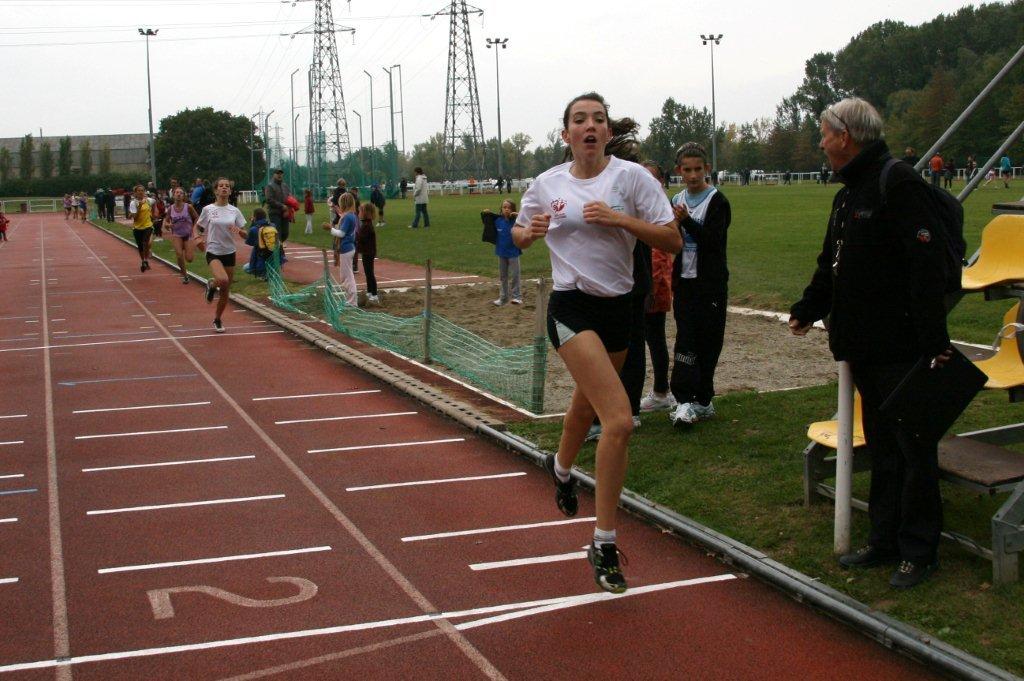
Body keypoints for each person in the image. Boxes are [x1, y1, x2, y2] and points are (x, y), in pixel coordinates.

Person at [513, 92, 680, 593]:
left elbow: (672, 240)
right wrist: (530, 232)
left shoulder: (632, 179)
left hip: (619, 310)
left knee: (586, 408)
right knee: (620, 420)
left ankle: (561, 468)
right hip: (570, 307)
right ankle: (604, 541)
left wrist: (621, 220)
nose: (590, 126)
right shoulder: (547, 184)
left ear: (608, 132)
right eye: (579, 120)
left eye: (598, 119)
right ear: (565, 134)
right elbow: (518, 233)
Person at [789, 97, 951, 589]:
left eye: (823, 133)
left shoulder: (896, 181)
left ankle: (919, 550)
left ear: (845, 136)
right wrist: (807, 308)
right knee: (882, 444)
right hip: (863, 344)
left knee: (913, 446)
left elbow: (927, 264)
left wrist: (933, 339)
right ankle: (884, 540)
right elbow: (831, 263)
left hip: (902, 345)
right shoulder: (847, 194)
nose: (820, 143)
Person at [667, 142, 731, 427]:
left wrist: (688, 222)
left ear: (707, 169)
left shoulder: (718, 201)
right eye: (687, 170)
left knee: (709, 342)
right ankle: (682, 401)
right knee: (686, 340)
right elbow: (670, 237)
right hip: (684, 284)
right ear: (679, 171)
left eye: (698, 170)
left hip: (711, 285)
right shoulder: (676, 200)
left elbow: (713, 243)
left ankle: (704, 399)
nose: (692, 176)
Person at [639, 162, 676, 414]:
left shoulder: (660, 209)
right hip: (641, 281)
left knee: (654, 338)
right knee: (642, 339)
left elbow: (660, 254)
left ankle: (662, 391)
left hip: (653, 282)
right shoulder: (641, 205)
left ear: (660, 181)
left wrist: (651, 288)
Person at [195, 177, 248, 333]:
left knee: (225, 290)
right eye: (221, 186)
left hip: (229, 252)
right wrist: (197, 238)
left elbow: (243, 233)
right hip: (213, 251)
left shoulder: (234, 211)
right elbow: (198, 227)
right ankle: (211, 285)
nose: (224, 188)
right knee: (222, 280)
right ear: (216, 190)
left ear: (230, 191)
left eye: (227, 186)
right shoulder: (208, 209)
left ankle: (217, 319)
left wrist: (239, 231)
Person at [482, 199, 522, 306]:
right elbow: (486, 223)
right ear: (501, 209)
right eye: (504, 207)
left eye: (509, 208)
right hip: (501, 252)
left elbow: (525, 222)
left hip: (513, 252)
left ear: (513, 210)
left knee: (515, 276)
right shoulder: (498, 221)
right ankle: (503, 298)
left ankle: (517, 297)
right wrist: (485, 214)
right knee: (503, 277)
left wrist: (517, 215)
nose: (506, 209)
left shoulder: (516, 221)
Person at [324, 191, 358, 306]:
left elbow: (342, 233)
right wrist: (336, 209)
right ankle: (351, 300)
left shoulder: (348, 217)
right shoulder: (351, 215)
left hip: (346, 248)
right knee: (346, 275)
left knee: (347, 276)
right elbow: (342, 216)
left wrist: (330, 229)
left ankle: (352, 301)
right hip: (349, 248)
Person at [163, 186, 199, 283]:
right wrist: (168, 225)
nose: (179, 194)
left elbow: (196, 218)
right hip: (176, 235)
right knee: (179, 255)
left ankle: (187, 247)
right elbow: (166, 222)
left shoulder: (189, 207)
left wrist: (194, 227)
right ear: (173, 195)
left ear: (183, 196)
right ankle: (185, 275)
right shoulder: (170, 208)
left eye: (181, 193)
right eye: (177, 193)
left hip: (188, 234)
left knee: (189, 259)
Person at [128, 184, 155, 273]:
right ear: (135, 193)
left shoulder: (149, 200)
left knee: (145, 242)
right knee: (140, 246)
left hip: (148, 226)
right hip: (137, 228)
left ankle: (146, 260)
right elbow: (135, 217)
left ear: (144, 192)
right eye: (138, 191)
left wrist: (153, 214)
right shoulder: (133, 203)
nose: (140, 192)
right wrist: (139, 206)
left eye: (142, 190)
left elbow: (155, 202)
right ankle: (143, 261)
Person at [356, 202, 379, 305]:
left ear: (365, 213)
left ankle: (374, 294)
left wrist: (355, 237)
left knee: (370, 273)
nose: (359, 213)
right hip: (367, 251)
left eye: (360, 211)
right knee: (368, 273)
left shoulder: (366, 225)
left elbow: (361, 238)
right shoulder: (365, 224)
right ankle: (370, 292)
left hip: (368, 252)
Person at [264, 168, 293, 245]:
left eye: (281, 173)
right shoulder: (270, 186)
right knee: (277, 232)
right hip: (274, 213)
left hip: (285, 213)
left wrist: (289, 208)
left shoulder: (285, 186)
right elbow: (269, 200)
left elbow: (289, 197)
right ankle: (278, 251)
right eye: (277, 173)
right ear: (274, 175)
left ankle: (279, 246)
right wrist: (281, 206)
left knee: (285, 233)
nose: (279, 175)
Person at [243, 207, 273, 279]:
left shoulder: (254, 229)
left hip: (261, 256)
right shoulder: (273, 225)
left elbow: (249, 242)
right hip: (274, 257)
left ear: (255, 217)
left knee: (246, 268)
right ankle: (270, 272)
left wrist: (252, 224)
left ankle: (264, 275)